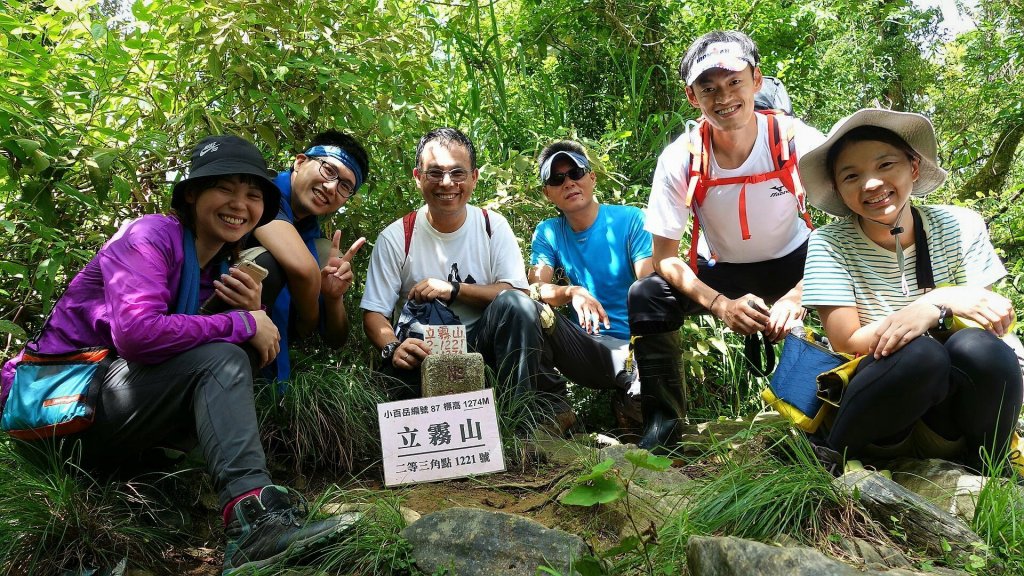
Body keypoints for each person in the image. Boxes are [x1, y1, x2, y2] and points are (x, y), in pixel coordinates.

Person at [0, 136, 354, 574]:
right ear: (191, 194)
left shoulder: (222, 266)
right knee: (221, 357)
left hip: (105, 412)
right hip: (52, 420)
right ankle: (254, 521)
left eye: (253, 195)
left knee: (229, 355)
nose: (239, 205)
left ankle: (159, 489)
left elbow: (254, 351)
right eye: (226, 189)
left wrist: (252, 312)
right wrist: (243, 323)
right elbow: (137, 334)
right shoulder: (149, 236)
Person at [627, 30, 825, 449]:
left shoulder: (797, 141)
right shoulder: (681, 157)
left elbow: (851, 232)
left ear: (757, 80)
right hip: (722, 269)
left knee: (854, 285)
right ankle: (662, 428)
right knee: (647, 293)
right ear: (691, 96)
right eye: (709, 87)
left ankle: (839, 413)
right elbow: (664, 257)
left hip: (797, 261)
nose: (724, 97)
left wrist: (798, 296)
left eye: (734, 81)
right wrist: (719, 304)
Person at [799, 108, 1023, 471]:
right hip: (880, 416)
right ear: (839, 190)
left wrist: (933, 308)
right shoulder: (828, 243)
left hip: (950, 421)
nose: (871, 184)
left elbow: (991, 320)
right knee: (920, 355)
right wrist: (935, 301)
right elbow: (847, 341)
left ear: (913, 168)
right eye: (851, 175)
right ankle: (831, 455)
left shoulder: (959, 225)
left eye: (885, 165)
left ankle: (987, 466)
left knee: (980, 348)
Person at [360, 127, 573, 425]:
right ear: (418, 177)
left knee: (518, 306)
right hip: (425, 351)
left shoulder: (491, 226)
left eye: (458, 173)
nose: (447, 183)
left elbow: (518, 295)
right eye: (434, 173)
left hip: (487, 346)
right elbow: (374, 313)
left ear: (474, 177)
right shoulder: (397, 237)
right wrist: (393, 346)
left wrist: (452, 289)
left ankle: (519, 423)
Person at [528, 140, 652, 429]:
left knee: (647, 413)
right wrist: (571, 292)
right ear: (548, 193)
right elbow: (535, 287)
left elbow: (649, 282)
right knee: (524, 308)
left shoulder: (630, 219)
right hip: (584, 348)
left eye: (575, 172)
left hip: (635, 346)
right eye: (557, 179)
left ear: (592, 176)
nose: (568, 182)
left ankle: (633, 400)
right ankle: (552, 409)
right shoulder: (549, 232)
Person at [246, 131, 370, 381]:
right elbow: (303, 270)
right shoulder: (262, 192)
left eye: (345, 186)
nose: (332, 187)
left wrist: (333, 297)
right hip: (210, 310)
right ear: (300, 162)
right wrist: (308, 321)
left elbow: (336, 340)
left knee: (322, 251)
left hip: (262, 328)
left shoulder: (311, 235)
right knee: (268, 263)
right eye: (328, 170)